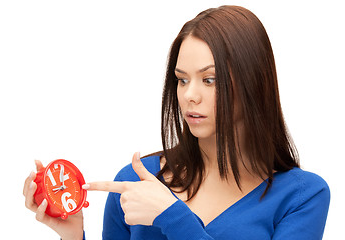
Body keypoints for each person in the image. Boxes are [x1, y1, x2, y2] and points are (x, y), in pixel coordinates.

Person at [23, 5, 330, 240]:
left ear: (254, 83)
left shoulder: (302, 196)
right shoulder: (135, 182)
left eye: (209, 80)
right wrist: (74, 235)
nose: (189, 96)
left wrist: (171, 216)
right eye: (182, 80)